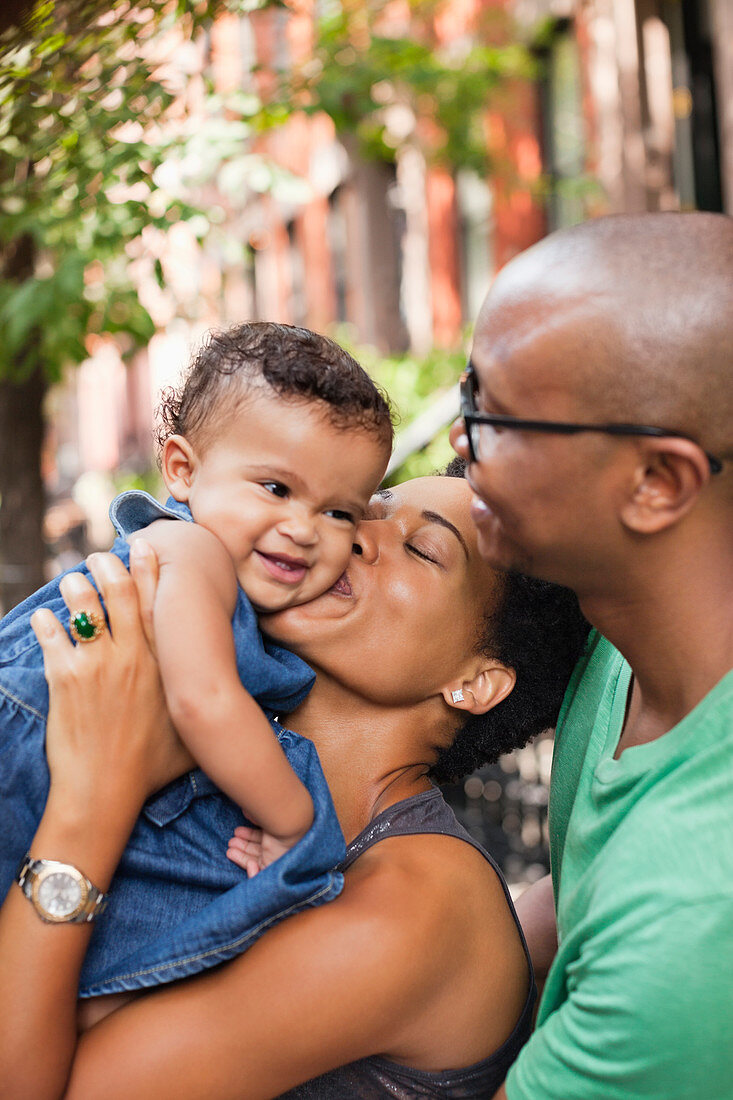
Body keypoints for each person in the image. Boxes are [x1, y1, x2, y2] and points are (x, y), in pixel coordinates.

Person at [0, 469, 589, 1099]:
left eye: (422, 549)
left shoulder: (420, 906)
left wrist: (89, 803)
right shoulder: (219, 769)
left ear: (475, 680)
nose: (359, 535)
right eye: (367, 508)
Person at [0, 321, 392, 999]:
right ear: (182, 469)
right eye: (275, 488)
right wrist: (293, 818)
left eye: (338, 513)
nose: (302, 529)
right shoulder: (192, 551)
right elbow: (202, 700)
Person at [449, 211, 733, 1099]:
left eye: (493, 414)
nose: (460, 439)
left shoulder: (692, 923)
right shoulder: (629, 622)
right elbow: (579, 901)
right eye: (467, 394)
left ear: (657, 483)